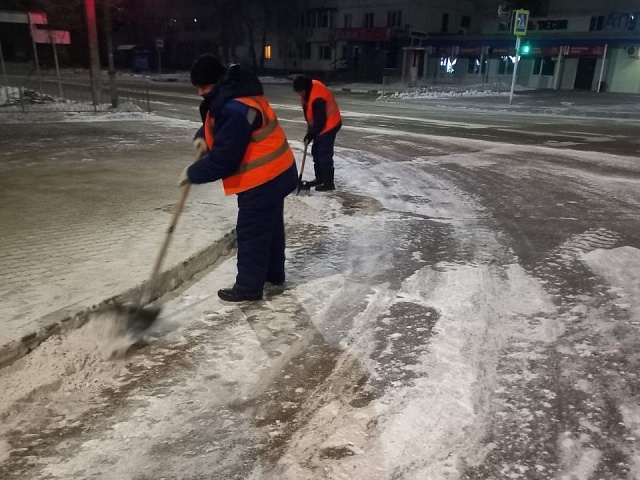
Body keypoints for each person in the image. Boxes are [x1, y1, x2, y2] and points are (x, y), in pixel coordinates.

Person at [179, 54, 298, 302]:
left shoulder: (235, 108)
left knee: (252, 232)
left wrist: (193, 173)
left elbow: (224, 160)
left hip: (263, 179)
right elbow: (216, 120)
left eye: (203, 87)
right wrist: (203, 135)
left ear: (216, 81)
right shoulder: (233, 92)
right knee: (270, 227)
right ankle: (273, 275)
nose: (200, 93)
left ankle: (248, 287)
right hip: (279, 171)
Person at [292, 75, 342, 192]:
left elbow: (320, 122)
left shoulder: (317, 98)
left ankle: (328, 183)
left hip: (330, 124)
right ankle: (320, 179)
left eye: (300, 92)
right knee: (316, 151)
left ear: (305, 89)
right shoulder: (308, 91)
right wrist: (310, 132)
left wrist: (310, 135)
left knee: (323, 153)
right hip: (322, 125)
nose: (299, 95)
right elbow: (312, 118)